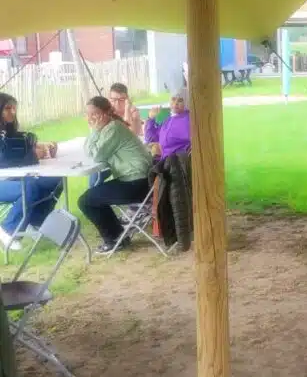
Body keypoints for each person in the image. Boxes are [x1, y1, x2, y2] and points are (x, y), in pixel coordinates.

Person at [78, 96, 152, 253]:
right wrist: (96, 131)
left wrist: (95, 131)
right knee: (93, 197)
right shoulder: (109, 127)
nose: (90, 118)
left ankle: (114, 239)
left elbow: (97, 155)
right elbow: (89, 151)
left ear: (106, 113)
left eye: (94, 114)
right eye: (88, 114)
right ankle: (118, 237)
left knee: (86, 201)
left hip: (137, 183)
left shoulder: (114, 129)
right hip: (136, 180)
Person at [0, 92, 62, 251]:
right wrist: (33, 156)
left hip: (10, 178)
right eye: (8, 108)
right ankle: (8, 228)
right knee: (29, 187)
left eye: (14, 108)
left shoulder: (7, 130)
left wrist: (42, 147)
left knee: (54, 179)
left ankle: (34, 222)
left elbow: (17, 147)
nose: (13, 112)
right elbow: (4, 160)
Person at [144, 86, 191, 159]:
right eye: (173, 99)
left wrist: (159, 147)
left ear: (186, 102)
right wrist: (151, 119)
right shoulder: (169, 120)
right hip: (164, 160)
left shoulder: (188, 120)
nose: (175, 103)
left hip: (175, 162)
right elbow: (151, 138)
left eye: (180, 100)